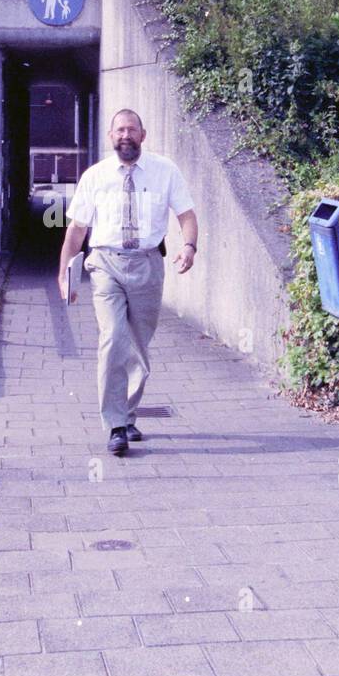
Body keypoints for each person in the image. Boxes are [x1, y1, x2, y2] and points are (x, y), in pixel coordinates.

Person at [57, 108, 198, 456]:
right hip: (105, 264)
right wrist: (64, 274)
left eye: (131, 130)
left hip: (149, 265)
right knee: (113, 338)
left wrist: (189, 247)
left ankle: (129, 412)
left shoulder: (165, 171)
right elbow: (77, 229)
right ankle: (115, 425)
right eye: (119, 130)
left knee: (137, 347)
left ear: (143, 135)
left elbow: (187, 215)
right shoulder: (95, 176)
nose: (125, 136)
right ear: (110, 137)